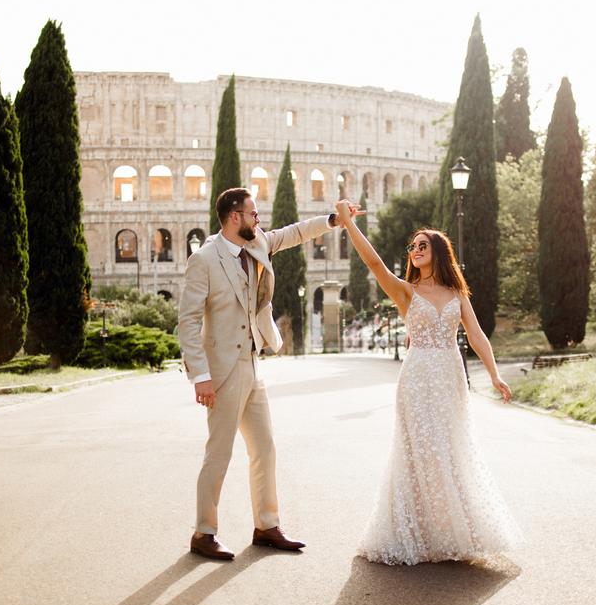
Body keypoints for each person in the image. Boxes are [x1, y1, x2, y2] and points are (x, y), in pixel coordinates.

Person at [334, 200, 522, 565]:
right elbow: (373, 263)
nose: (416, 250)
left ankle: (453, 530)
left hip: (450, 377)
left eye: (423, 245)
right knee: (419, 452)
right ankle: (415, 533)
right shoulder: (406, 292)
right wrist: (347, 223)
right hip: (417, 378)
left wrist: (495, 373)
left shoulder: (457, 294)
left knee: (449, 450)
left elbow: (477, 335)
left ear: (438, 251)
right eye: (413, 246)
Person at [178, 187, 361, 560]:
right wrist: (200, 377)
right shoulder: (204, 260)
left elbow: (292, 233)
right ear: (234, 218)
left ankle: (266, 525)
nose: (259, 220)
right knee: (220, 453)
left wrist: (333, 220)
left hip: (252, 364)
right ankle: (204, 533)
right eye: (253, 213)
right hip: (222, 371)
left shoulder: (258, 241)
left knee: (264, 448)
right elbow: (188, 322)